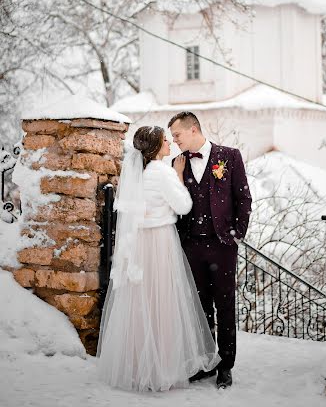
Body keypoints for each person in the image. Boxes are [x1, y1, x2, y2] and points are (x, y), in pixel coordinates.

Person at [96, 126, 220, 392]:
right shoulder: (162, 171)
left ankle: (136, 365)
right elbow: (183, 206)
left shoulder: (138, 173)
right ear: (154, 147)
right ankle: (160, 369)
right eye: (165, 140)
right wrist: (176, 175)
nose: (169, 143)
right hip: (160, 240)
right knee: (161, 301)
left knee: (140, 302)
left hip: (140, 242)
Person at [169, 112, 252, 389]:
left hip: (222, 246)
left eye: (177, 135)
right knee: (200, 308)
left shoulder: (229, 156)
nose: (174, 140)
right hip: (191, 246)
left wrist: (236, 234)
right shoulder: (175, 163)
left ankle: (226, 365)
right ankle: (206, 362)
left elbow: (243, 197)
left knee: (225, 305)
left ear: (193, 130)